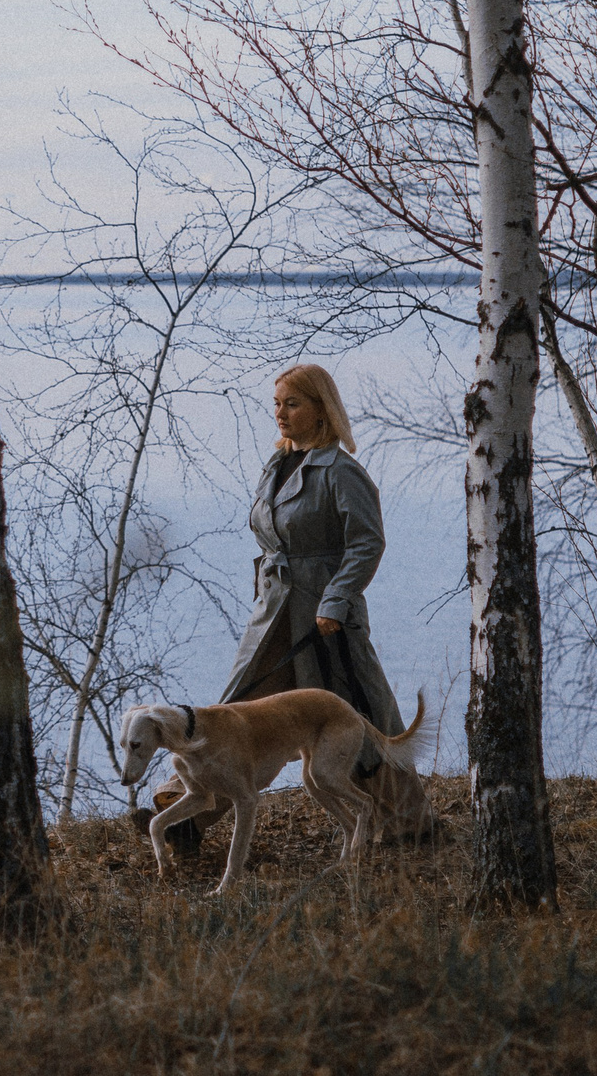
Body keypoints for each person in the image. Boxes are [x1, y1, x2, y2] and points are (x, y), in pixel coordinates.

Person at [159, 363, 436, 855]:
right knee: (233, 709)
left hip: (325, 622)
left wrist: (334, 600)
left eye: (293, 403)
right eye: (277, 404)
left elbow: (367, 543)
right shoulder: (277, 464)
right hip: (273, 616)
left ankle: (407, 826)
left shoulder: (343, 472)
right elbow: (273, 538)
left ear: (321, 409)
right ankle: (185, 814)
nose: (281, 413)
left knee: (362, 714)